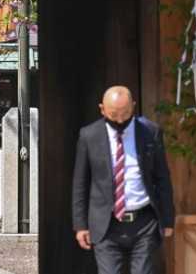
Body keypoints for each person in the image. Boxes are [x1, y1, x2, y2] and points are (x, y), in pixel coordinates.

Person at [72, 85, 175, 274]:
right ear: (102, 109)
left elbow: (162, 178)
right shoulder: (89, 136)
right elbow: (80, 182)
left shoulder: (150, 132)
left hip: (144, 221)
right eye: (113, 115)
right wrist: (80, 225)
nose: (120, 120)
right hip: (106, 223)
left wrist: (168, 220)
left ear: (133, 107)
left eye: (125, 114)